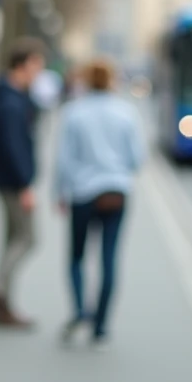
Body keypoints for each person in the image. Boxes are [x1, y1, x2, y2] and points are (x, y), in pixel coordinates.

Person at [55, 58, 145, 350]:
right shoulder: (126, 113)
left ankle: (81, 309)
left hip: (83, 192)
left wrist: (60, 192)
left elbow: (65, 159)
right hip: (116, 192)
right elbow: (136, 159)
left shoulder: (74, 112)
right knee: (109, 258)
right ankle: (102, 324)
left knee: (77, 256)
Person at [0, 37, 46, 328]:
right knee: (28, 238)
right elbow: (12, 145)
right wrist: (24, 184)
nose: (39, 72)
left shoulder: (9, 97)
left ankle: (5, 304)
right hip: (13, 182)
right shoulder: (10, 102)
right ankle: (0, 290)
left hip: (6, 180)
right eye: (37, 65)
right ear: (25, 64)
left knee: (12, 238)